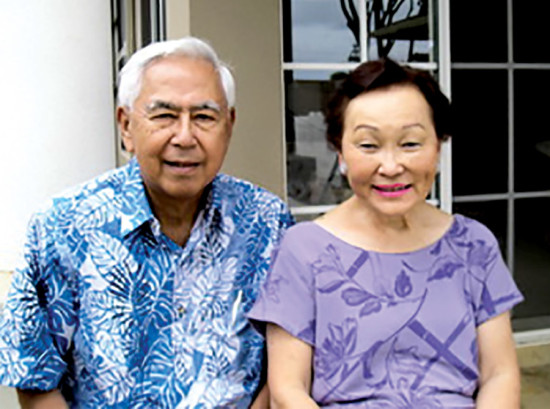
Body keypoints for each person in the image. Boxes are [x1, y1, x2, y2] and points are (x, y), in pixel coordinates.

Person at [0, 37, 293, 408]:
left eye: (204, 117)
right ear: (126, 126)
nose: (185, 137)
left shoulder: (268, 223)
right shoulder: (62, 227)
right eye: (164, 116)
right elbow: (35, 378)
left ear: (229, 125)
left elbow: (287, 366)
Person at [248, 58, 523, 408]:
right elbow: (288, 390)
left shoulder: (474, 245)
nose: (391, 167)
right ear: (340, 150)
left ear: (438, 146)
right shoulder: (304, 249)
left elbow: (499, 373)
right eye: (368, 145)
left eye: (410, 144)